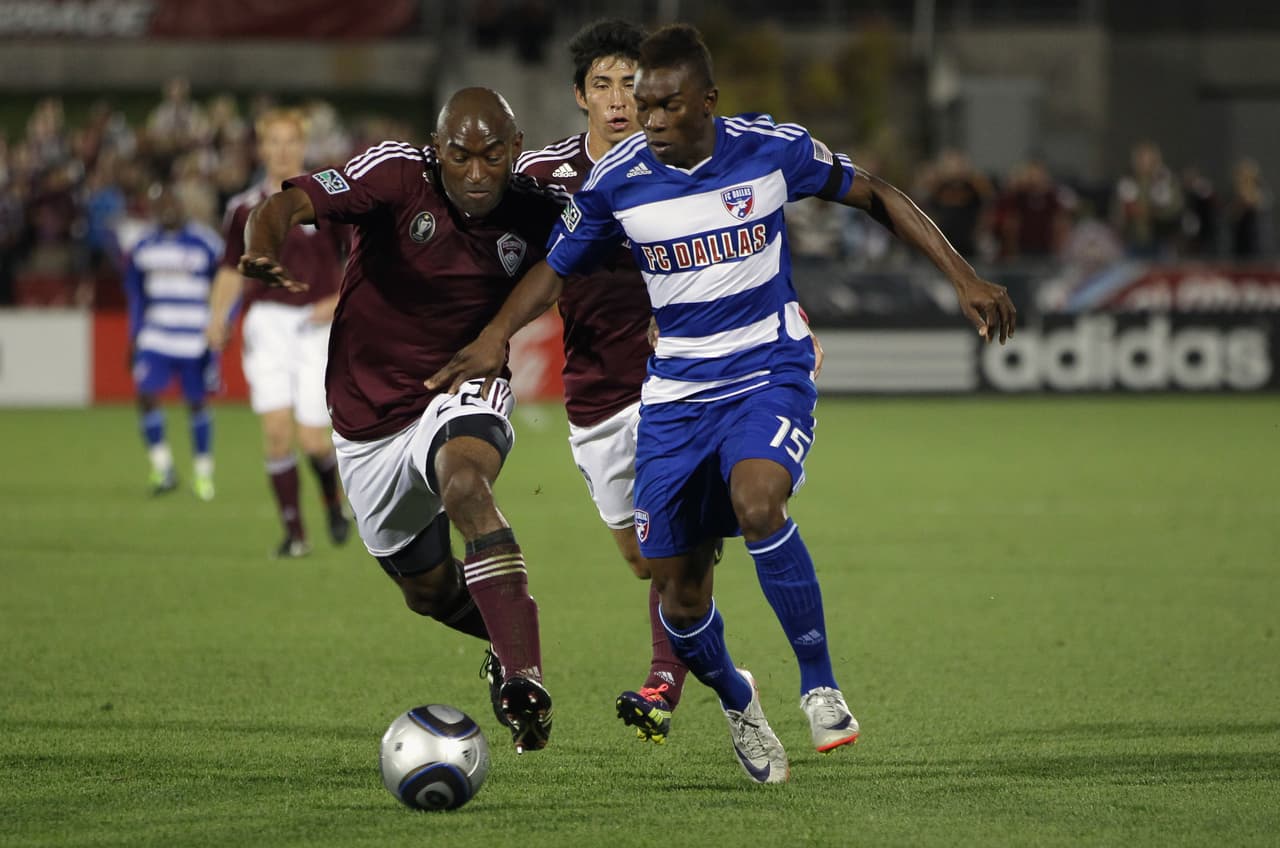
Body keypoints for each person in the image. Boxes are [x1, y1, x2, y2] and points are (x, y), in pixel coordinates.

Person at [429, 24, 1016, 783]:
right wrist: (495, 336)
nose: (651, 121)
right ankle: (739, 697)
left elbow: (875, 193)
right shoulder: (617, 181)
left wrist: (963, 275)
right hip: (675, 392)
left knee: (759, 500)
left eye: (668, 106)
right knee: (674, 589)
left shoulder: (773, 149)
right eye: (644, 106)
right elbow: (556, 269)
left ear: (708, 101)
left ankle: (821, 686)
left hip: (768, 367)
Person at [238, 87, 562, 754]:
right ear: (435, 150)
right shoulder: (393, 173)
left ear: (515, 151)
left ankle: (524, 677)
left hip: (460, 386)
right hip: (366, 422)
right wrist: (263, 244)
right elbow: (289, 202)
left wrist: (500, 333)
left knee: (466, 485)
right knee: (427, 592)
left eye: (493, 157)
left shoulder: (536, 208)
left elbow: (572, 265)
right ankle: (505, 638)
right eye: (460, 156)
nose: (476, 173)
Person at [514, 18, 694, 745]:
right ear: (579, 96)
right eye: (603, 85)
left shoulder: (682, 166)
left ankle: (663, 684)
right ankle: (708, 657)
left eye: (631, 84)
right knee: (643, 559)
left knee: (674, 539)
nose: (619, 99)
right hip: (592, 390)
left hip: (678, 379)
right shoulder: (543, 178)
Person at [207, 108, 351, 559]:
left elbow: (361, 256)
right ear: (261, 147)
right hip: (266, 323)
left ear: (302, 146)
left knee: (312, 438)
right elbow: (232, 269)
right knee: (274, 433)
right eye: (275, 141)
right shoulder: (244, 208)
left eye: (291, 141)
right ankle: (294, 535)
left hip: (315, 324)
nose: (283, 149)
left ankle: (331, 501)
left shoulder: (327, 200)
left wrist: (339, 298)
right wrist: (217, 317)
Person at [123, 179, 223, 499]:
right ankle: (162, 467)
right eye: (159, 204)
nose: (166, 209)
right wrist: (134, 336)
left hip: (195, 337)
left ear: (180, 205)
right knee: (145, 395)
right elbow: (137, 295)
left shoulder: (204, 242)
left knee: (196, 403)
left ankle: (203, 473)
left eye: (170, 203)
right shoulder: (143, 245)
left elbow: (226, 284)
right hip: (157, 335)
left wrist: (221, 324)